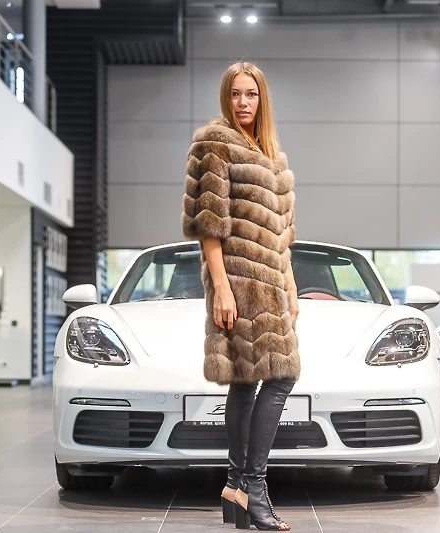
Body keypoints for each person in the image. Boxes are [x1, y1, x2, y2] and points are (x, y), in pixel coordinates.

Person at [182, 62, 298, 531]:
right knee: (280, 376)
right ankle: (254, 485)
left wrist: (291, 290)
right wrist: (222, 289)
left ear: (262, 99)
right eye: (235, 94)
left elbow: (284, 239)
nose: (243, 102)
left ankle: (235, 485)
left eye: (251, 94)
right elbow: (208, 226)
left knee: (249, 383)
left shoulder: (274, 159)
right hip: (239, 282)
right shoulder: (215, 144)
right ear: (225, 98)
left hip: (274, 287)